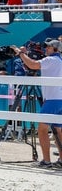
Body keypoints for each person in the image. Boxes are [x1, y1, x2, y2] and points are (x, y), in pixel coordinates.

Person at [11, 40, 62, 168]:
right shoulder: (59, 60)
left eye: (48, 47)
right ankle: (60, 160)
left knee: (42, 129)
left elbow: (33, 65)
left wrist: (20, 54)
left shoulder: (50, 60)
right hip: (59, 99)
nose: (45, 49)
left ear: (55, 49)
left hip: (52, 99)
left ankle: (46, 160)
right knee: (58, 130)